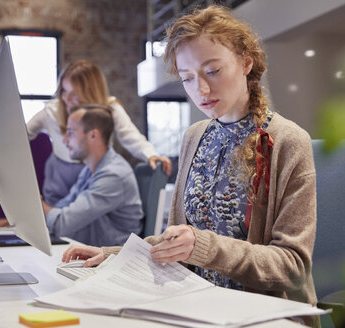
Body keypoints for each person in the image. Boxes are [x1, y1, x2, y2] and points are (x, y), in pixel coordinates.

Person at [61, 6, 318, 326]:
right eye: (187, 78)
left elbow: (292, 266)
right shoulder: (194, 137)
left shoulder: (288, 142)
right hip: (194, 304)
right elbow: (178, 243)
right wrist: (113, 255)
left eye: (213, 71)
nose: (201, 89)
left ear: (245, 62)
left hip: (261, 313)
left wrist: (205, 247)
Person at [0, 60, 172, 206]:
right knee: (59, 220)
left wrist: (150, 155)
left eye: (74, 94)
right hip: (60, 172)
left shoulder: (110, 107)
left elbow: (130, 136)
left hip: (94, 170)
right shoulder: (52, 110)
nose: (67, 99)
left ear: (90, 94)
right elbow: (21, 135)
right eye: (63, 91)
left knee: (82, 220)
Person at [0, 104, 144, 247]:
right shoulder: (90, 169)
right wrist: (1, 225)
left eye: (70, 132)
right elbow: (61, 208)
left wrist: (35, 200)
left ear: (93, 135)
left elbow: (62, 224)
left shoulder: (113, 175)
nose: (64, 141)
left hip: (108, 261)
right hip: (85, 249)